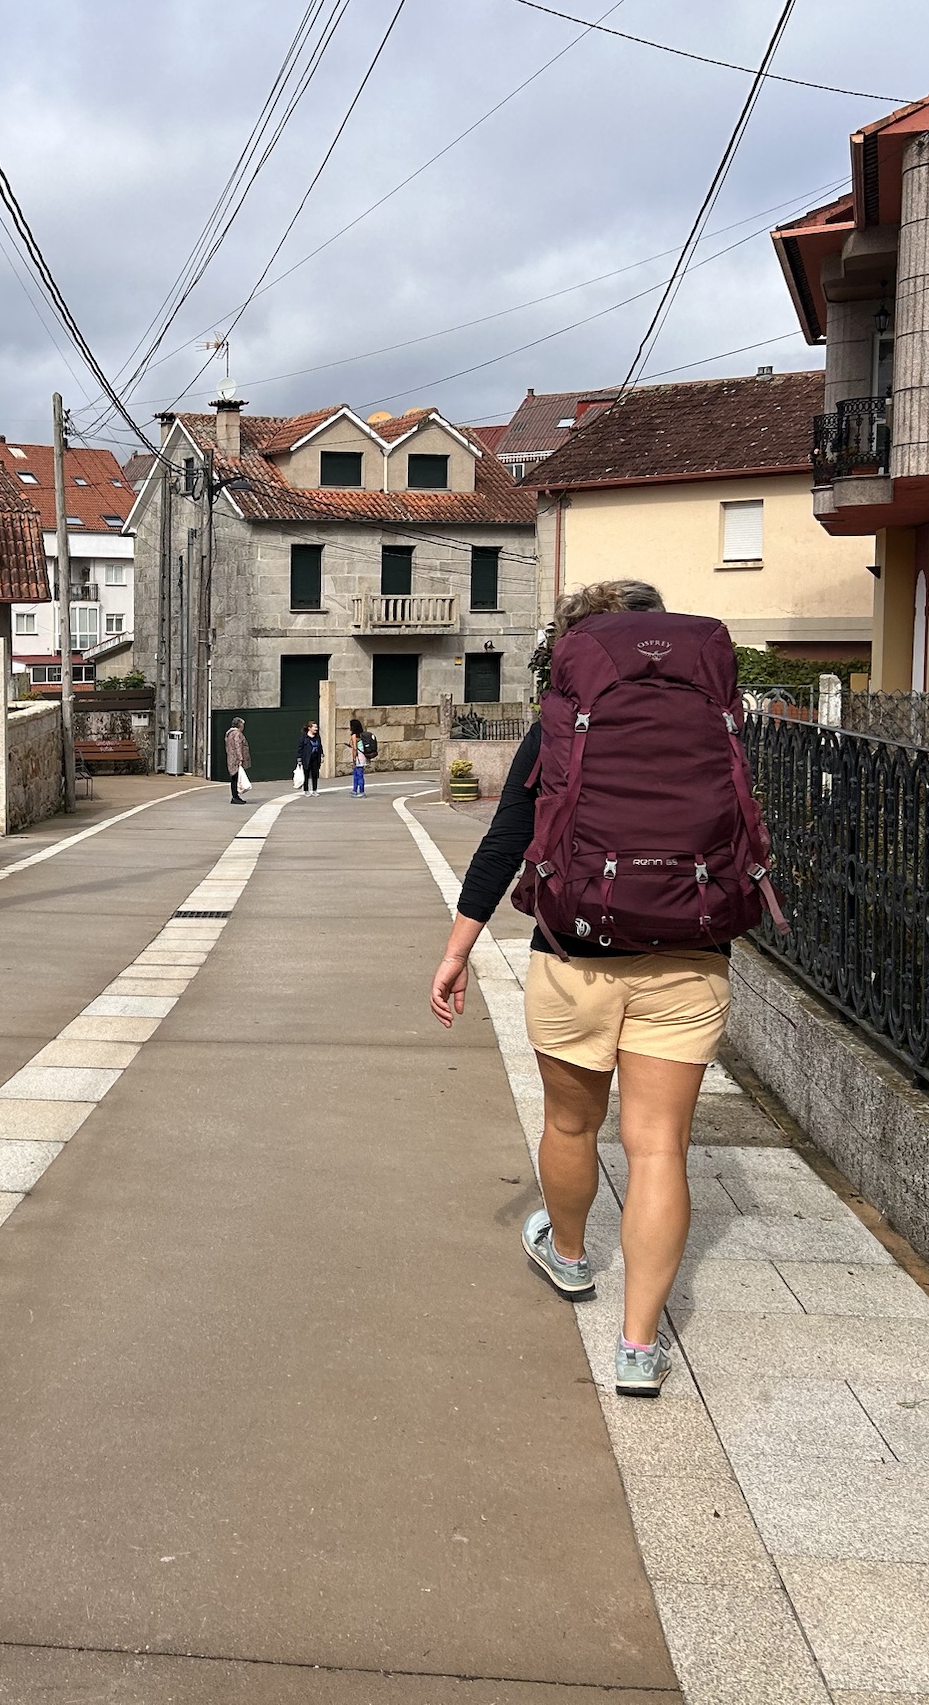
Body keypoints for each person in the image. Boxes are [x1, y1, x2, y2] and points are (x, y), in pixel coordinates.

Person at [425, 578, 732, 1399]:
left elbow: (506, 842)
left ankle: (567, 1256)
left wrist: (457, 951)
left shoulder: (560, 725)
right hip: (690, 954)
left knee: (571, 1122)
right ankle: (638, 1347)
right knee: (658, 1147)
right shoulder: (712, 717)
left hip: (575, 955)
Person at [224, 717, 250, 804]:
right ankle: (235, 797)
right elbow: (238, 746)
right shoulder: (237, 734)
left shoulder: (229, 734)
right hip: (235, 759)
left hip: (231, 758)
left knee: (234, 778)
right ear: (239, 724)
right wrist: (240, 758)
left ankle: (235, 796)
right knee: (235, 778)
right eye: (242, 724)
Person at [297, 721, 324, 794]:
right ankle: (306, 790)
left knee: (315, 774)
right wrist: (299, 758)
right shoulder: (304, 737)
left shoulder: (317, 737)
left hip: (315, 758)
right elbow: (300, 748)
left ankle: (314, 790)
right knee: (306, 774)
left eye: (316, 727)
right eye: (314, 727)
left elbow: (320, 746)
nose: (316, 729)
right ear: (309, 728)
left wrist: (322, 755)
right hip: (306, 758)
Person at [349, 717, 368, 796]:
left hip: (358, 757)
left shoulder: (354, 736)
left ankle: (361, 791)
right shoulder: (361, 735)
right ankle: (355, 789)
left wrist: (353, 759)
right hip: (363, 756)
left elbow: (355, 748)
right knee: (358, 774)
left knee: (358, 774)